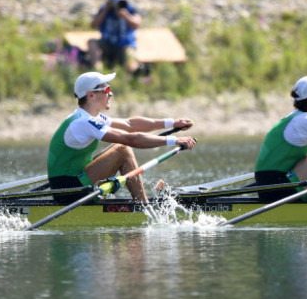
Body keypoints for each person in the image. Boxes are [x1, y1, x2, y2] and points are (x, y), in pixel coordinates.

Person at [48, 71, 196, 203]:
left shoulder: (90, 117)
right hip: (69, 192)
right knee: (122, 149)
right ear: (91, 95)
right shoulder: (83, 121)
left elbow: (130, 124)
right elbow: (131, 139)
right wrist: (174, 140)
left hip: (75, 182)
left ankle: (139, 203)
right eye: (106, 89)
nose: (110, 93)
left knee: (117, 148)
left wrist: (173, 122)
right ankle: (142, 206)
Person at [88, 0, 143, 76]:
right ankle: (98, 72)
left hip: (125, 45)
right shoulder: (104, 9)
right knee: (92, 42)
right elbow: (93, 25)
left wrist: (125, 15)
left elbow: (136, 24)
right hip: (108, 43)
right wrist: (105, 11)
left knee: (130, 63)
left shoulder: (130, 9)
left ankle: (134, 76)